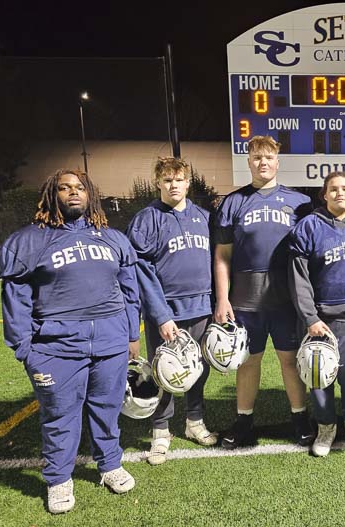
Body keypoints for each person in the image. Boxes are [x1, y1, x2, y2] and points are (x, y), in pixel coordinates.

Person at [0, 170, 140, 514]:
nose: (72, 193)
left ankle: (109, 465)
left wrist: (131, 334)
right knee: (59, 416)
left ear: (90, 194)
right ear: (52, 195)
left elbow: (129, 288)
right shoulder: (31, 240)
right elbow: (15, 296)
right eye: (64, 188)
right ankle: (59, 479)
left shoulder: (111, 238)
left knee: (107, 411)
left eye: (79, 188)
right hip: (56, 347)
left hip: (110, 343)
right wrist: (24, 348)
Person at [212, 135, 314, 448]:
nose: (263, 163)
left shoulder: (299, 203)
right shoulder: (233, 202)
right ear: (249, 162)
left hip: (285, 299)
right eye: (257, 158)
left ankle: (300, 418)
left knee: (289, 360)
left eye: (268, 157)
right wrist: (222, 298)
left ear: (277, 161)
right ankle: (244, 421)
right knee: (248, 362)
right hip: (246, 301)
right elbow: (222, 256)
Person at [125, 157, 216, 465]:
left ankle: (194, 422)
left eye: (179, 180)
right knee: (165, 372)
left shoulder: (203, 216)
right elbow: (141, 270)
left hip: (201, 307)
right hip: (167, 312)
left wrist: (216, 304)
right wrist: (161, 315)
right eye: (167, 180)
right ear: (158, 183)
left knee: (197, 369)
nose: (173, 185)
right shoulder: (146, 219)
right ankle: (161, 430)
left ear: (188, 182)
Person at [288, 172, 345, 457]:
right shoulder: (309, 226)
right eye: (333, 189)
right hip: (320, 318)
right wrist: (310, 317)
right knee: (318, 375)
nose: (339, 193)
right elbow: (299, 278)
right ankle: (325, 427)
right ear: (324, 195)